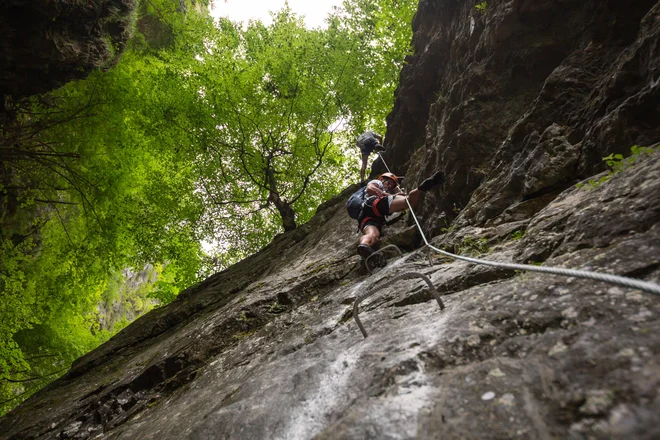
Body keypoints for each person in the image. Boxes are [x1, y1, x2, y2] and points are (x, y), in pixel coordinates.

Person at [357, 170, 445, 262]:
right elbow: (370, 188)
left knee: (373, 235)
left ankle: (364, 246)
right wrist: (389, 195)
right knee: (408, 201)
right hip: (374, 203)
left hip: (369, 216)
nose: (390, 186)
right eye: (389, 183)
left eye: (393, 186)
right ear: (383, 179)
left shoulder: (387, 191)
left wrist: (393, 194)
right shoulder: (378, 182)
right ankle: (423, 187)